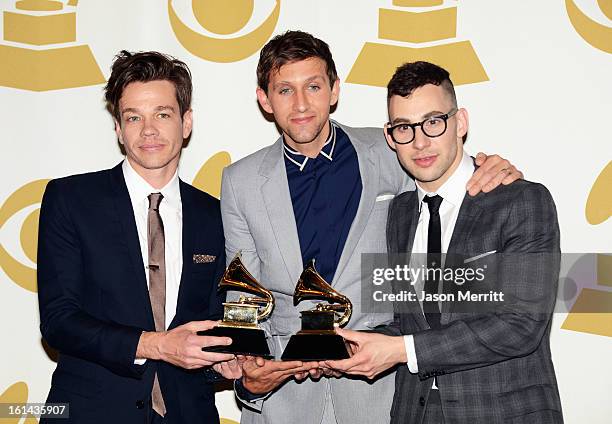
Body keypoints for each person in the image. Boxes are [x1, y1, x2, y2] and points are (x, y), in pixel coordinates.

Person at [220, 31, 522, 424]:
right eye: (284, 90)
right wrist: (249, 363)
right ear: (265, 99)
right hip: (284, 393)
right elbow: (244, 294)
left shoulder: (391, 149)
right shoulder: (239, 180)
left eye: (313, 86)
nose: (301, 104)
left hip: (379, 388)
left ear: (334, 90)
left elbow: (447, 176)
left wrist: (490, 169)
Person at [326, 61, 563, 423]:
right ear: (390, 137)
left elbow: (520, 325)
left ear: (460, 123)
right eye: (404, 128)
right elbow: (412, 320)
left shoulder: (520, 201)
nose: (420, 141)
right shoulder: (399, 213)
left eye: (433, 122)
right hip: (415, 412)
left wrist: (401, 349)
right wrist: (352, 343)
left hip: (502, 412)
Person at [37, 50, 239, 424]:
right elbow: (59, 321)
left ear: (186, 122)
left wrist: (228, 360)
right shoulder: (71, 200)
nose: (148, 130)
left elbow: (211, 320)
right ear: (118, 127)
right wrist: (157, 345)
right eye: (134, 117)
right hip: (89, 413)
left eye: (162, 114)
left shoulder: (215, 214)